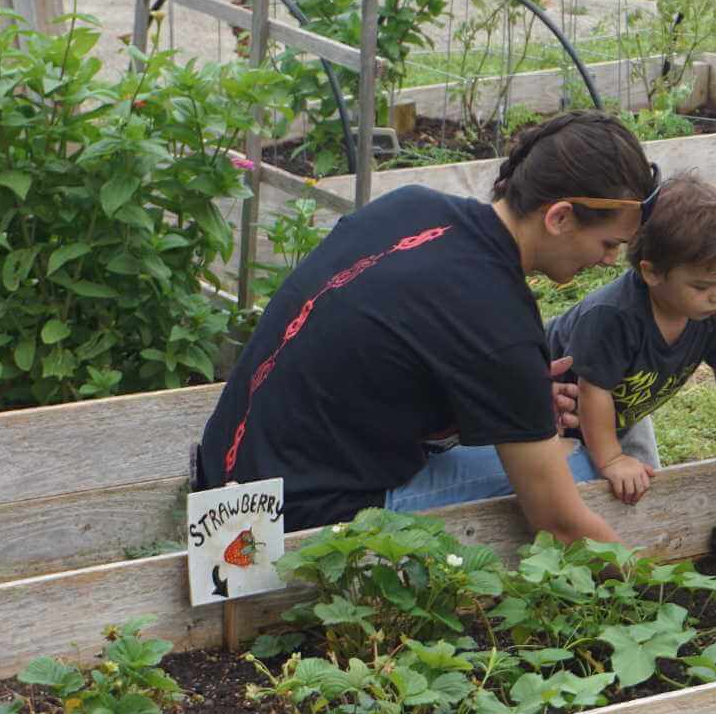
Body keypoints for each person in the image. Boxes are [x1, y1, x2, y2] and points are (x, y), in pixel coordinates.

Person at [195, 112, 658, 542]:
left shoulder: (411, 207)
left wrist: (511, 404)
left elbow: (383, 366)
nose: (609, 261)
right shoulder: (501, 322)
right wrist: (647, 586)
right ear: (559, 217)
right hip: (282, 526)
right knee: (588, 465)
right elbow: (556, 521)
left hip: (223, 481)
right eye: (608, 243)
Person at [546, 174, 716, 504]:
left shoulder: (709, 310)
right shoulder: (611, 317)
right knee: (580, 497)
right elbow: (593, 391)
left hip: (624, 415)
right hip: (561, 415)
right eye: (702, 286)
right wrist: (612, 459)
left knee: (646, 491)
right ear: (652, 272)